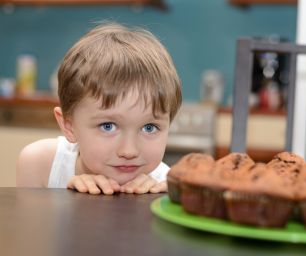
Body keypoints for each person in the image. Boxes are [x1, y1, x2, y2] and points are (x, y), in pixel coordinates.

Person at [16, 23, 182, 195]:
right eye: (108, 126)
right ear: (69, 125)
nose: (129, 151)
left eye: (149, 127)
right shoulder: (40, 164)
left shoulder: (166, 187)